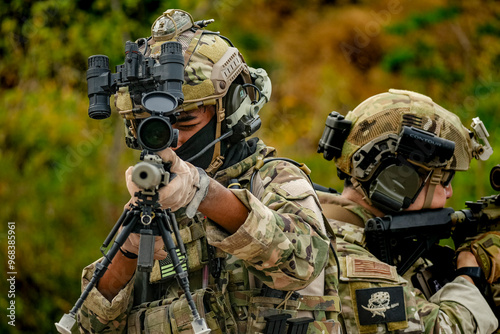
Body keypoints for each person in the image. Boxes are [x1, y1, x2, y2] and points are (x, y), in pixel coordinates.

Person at [77, 9, 341, 334]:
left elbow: (306, 261)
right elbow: (89, 325)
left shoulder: (273, 177)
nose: (169, 142)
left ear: (229, 111)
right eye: (149, 126)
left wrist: (201, 192)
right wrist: (129, 249)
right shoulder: (152, 196)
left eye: (185, 121)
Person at [316, 88, 499, 333]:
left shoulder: (325, 226)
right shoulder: (345, 259)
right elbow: (440, 328)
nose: (450, 193)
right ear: (398, 181)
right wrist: (470, 272)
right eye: (445, 180)